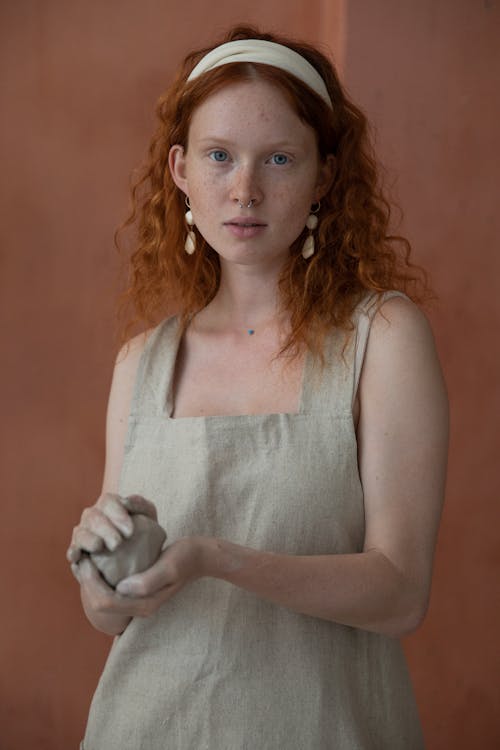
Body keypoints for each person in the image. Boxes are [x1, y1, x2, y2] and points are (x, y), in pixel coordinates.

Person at [67, 25, 449, 750]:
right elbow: (110, 620)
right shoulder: (141, 362)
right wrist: (102, 575)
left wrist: (218, 558)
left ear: (324, 177)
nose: (244, 190)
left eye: (278, 158)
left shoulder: (383, 339)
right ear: (181, 170)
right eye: (219, 156)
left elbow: (401, 593)